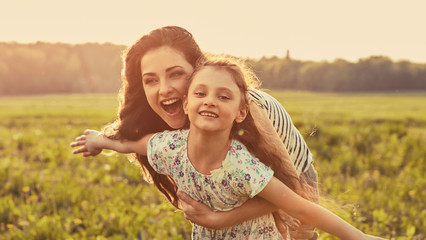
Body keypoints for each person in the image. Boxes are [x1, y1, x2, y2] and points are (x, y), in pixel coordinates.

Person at [73, 57, 385, 240]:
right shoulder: (170, 146)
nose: (210, 100)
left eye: (223, 97)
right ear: (186, 103)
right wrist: (99, 140)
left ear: (241, 112)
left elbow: (300, 203)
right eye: (201, 93)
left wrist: (360, 237)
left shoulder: (243, 167)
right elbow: (133, 143)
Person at [70, 26, 318, 239]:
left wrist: (219, 220)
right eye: (151, 80)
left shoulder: (243, 107)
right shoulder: (193, 114)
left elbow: (293, 189)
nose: (164, 89)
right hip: (239, 181)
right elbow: (133, 138)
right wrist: (99, 139)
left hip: (292, 178)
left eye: (176, 74)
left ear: (198, 69)